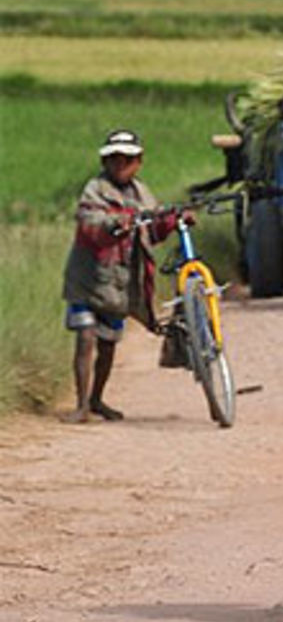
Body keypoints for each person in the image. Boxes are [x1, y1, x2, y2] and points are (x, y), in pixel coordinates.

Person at [62, 129, 185, 423]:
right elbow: (89, 222)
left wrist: (170, 221)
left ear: (139, 161)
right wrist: (114, 222)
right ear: (105, 162)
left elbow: (151, 232)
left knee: (108, 344)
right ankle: (80, 405)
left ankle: (97, 400)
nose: (121, 165)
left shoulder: (143, 193)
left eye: (127, 159)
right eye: (114, 159)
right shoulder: (95, 189)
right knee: (86, 336)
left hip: (121, 284)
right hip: (89, 280)